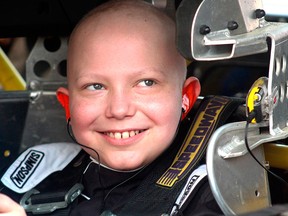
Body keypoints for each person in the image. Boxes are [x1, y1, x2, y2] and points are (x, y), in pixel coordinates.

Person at [0, 0, 224, 215]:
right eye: (95, 86)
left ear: (186, 97)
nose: (118, 109)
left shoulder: (218, 190)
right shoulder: (39, 170)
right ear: (67, 105)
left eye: (146, 83)